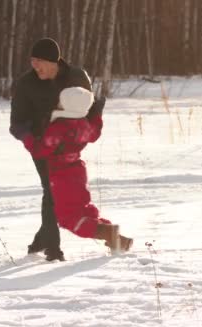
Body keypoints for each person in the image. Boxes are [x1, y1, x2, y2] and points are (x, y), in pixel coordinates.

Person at [10, 38, 93, 261]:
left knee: (58, 190)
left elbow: (89, 107)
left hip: (71, 144)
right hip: (42, 145)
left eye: (39, 61)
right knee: (51, 189)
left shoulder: (77, 77)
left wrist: (90, 129)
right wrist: (33, 144)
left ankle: (41, 239)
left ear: (53, 60)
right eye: (32, 61)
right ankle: (53, 250)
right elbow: (16, 123)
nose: (35, 66)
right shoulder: (26, 84)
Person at [22, 86, 133, 252]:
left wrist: (26, 135)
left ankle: (108, 233)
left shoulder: (59, 128)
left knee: (69, 218)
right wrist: (96, 115)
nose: (57, 103)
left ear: (68, 106)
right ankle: (116, 240)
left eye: (61, 101)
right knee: (83, 210)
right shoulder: (83, 125)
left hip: (61, 174)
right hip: (76, 171)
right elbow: (95, 134)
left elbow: (40, 149)